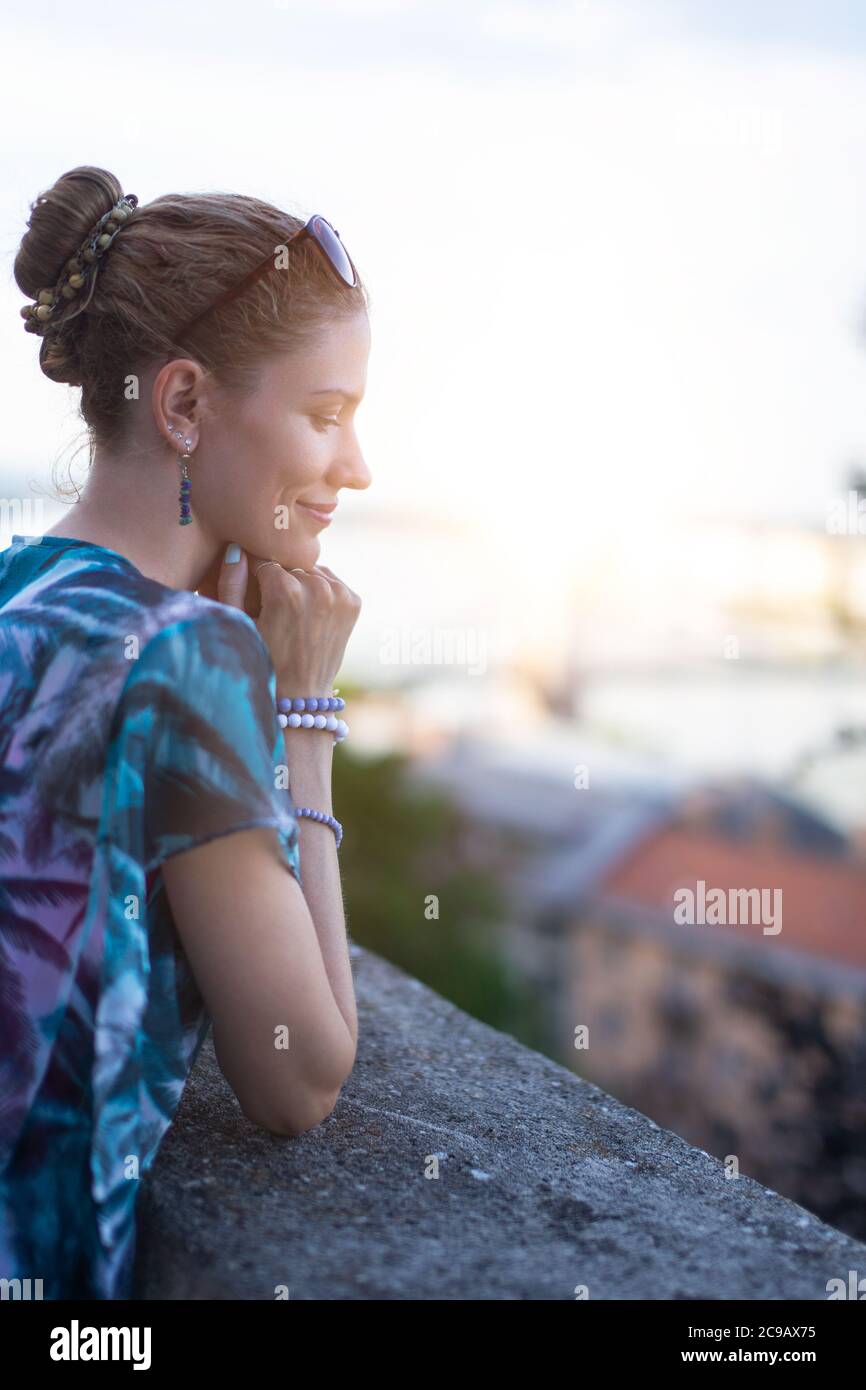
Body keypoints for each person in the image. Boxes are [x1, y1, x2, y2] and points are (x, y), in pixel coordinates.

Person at [0, 165, 371, 1299]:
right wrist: (300, 713)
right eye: (326, 416)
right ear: (184, 406)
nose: (356, 470)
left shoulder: (15, 597)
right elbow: (298, 1075)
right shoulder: (187, 659)